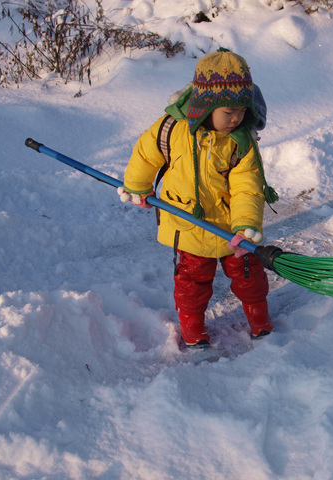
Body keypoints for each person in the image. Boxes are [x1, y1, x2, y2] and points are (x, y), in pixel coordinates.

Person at [118, 48, 278, 348]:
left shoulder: (240, 142)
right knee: (191, 284)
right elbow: (145, 153)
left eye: (242, 112)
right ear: (206, 107)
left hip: (231, 229)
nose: (236, 119)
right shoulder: (171, 128)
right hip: (187, 224)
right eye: (228, 113)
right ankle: (193, 332)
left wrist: (245, 224)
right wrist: (138, 186)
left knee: (249, 277)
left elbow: (248, 186)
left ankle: (260, 321)